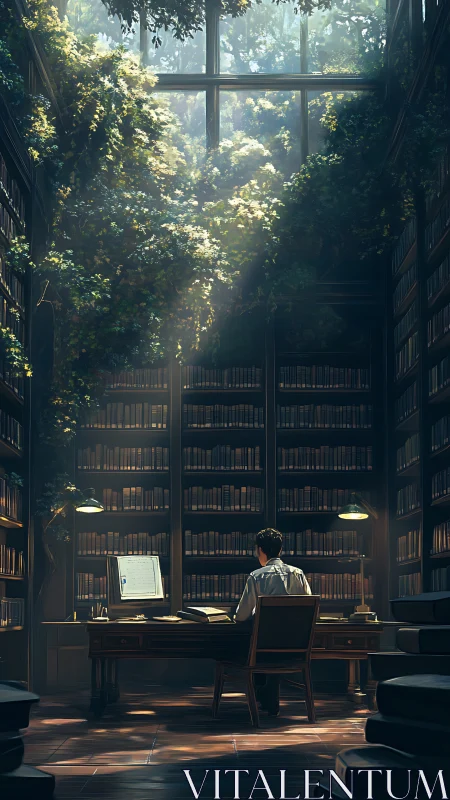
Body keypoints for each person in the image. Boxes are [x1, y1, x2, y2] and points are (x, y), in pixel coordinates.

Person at [234, 528, 312, 716]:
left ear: (260, 550)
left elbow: (241, 616)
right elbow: (310, 609)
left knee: (250, 643)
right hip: (295, 647)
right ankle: (267, 695)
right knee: (272, 646)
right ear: (280, 549)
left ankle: (262, 694)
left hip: (263, 649)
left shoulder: (257, 576)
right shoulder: (298, 574)